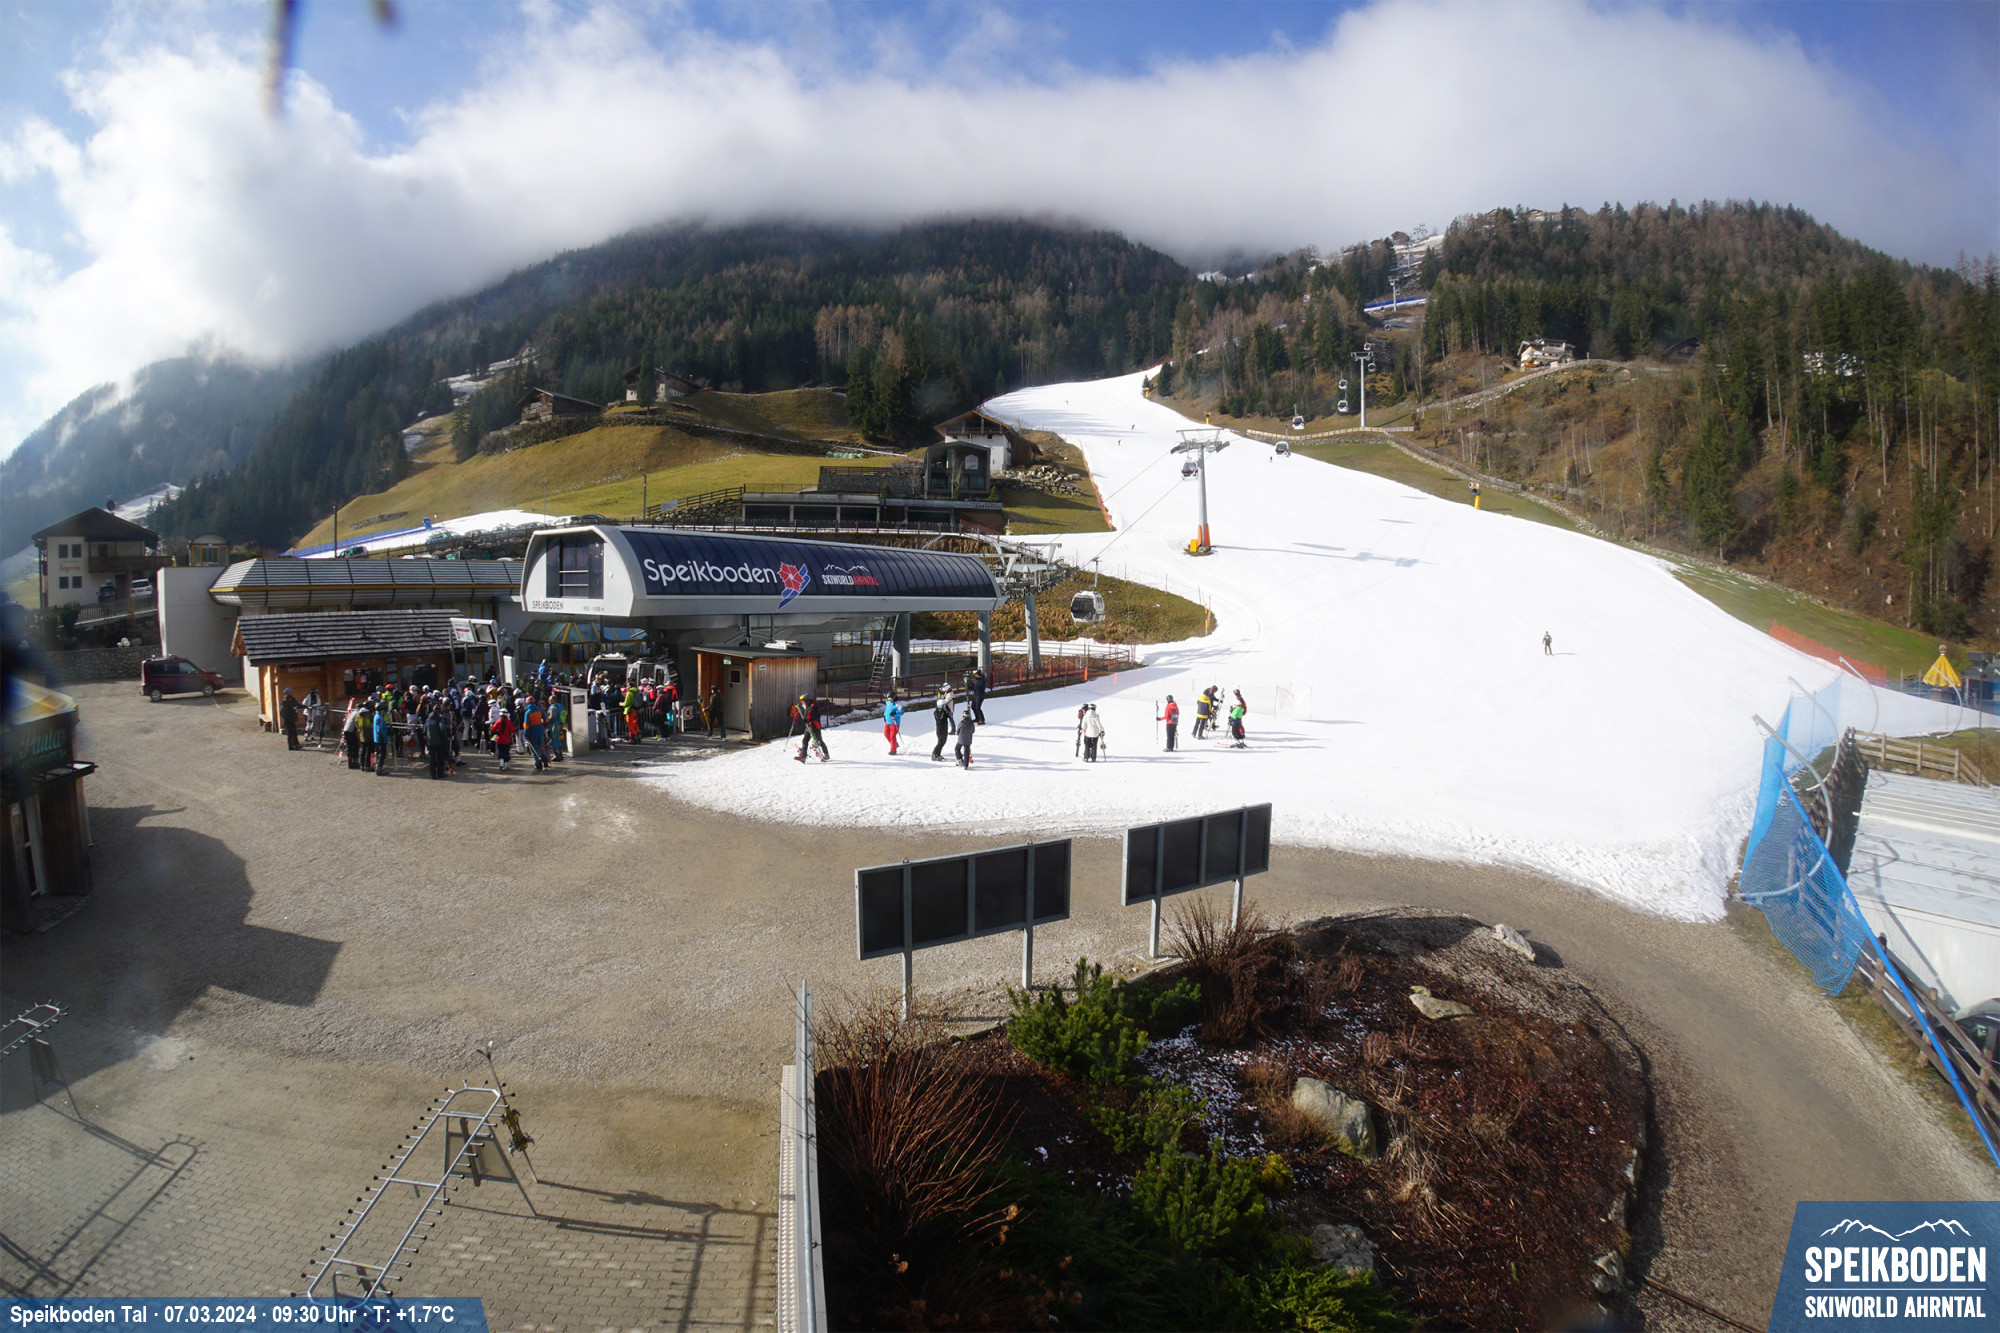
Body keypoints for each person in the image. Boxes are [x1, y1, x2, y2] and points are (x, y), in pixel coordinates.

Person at [794, 694, 830, 762]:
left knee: (819, 741)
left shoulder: (813, 707)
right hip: (808, 726)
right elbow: (806, 715)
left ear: (807, 700)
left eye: (803, 700)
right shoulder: (806, 706)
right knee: (805, 741)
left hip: (815, 726)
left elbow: (817, 717)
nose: (802, 702)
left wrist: (808, 720)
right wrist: (801, 711)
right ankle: (803, 756)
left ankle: (826, 754)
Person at [425, 704, 452, 779]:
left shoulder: (428, 720)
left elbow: (424, 731)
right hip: (439, 742)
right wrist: (445, 737)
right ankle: (440, 773)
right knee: (440, 758)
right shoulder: (439, 719)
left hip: (430, 741)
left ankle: (433, 774)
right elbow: (442, 729)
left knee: (432, 759)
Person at [524, 694, 549, 771]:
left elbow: (526, 725)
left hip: (532, 733)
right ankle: (545, 759)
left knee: (534, 749)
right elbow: (546, 719)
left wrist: (526, 734)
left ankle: (538, 764)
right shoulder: (539, 710)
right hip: (541, 732)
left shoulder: (528, 712)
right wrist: (543, 725)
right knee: (541, 746)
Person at [931, 686, 956, 762]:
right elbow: (940, 717)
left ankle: (938, 754)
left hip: (944, 728)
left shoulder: (944, 711)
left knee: (943, 742)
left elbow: (948, 716)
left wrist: (947, 711)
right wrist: (942, 710)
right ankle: (935, 754)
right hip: (940, 730)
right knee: (940, 742)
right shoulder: (937, 712)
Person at [372, 698, 393, 774]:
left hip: (377, 739)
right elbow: (380, 730)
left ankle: (379, 767)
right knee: (382, 754)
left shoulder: (376, 716)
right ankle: (379, 769)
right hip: (381, 739)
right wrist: (387, 732)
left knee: (381, 754)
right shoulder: (379, 718)